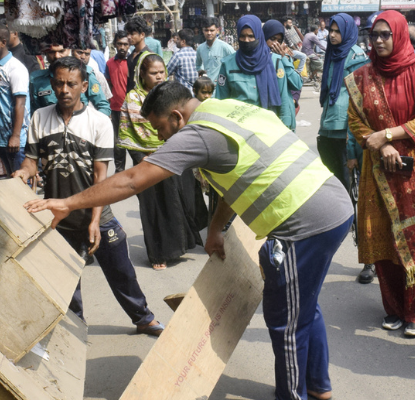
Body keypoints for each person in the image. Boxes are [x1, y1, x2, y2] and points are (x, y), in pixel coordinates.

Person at [24, 80, 354, 400]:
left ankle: (293, 395)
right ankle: (318, 385)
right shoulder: (227, 109)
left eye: (160, 129)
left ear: (178, 117)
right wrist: (215, 229)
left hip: (304, 222)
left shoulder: (198, 134)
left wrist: (68, 203)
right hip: (330, 202)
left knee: (286, 320)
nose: (159, 137)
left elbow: (133, 180)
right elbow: (238, 176)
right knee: (303, 304)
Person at [13, 56, 164, 337]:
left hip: (98, 215)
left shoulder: (99, 122)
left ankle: (143, 318)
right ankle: (75, 329)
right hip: (59, 217)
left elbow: (100, 178)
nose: (64, 90)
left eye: (71, 84)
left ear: (84, 85)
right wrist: (22, 172)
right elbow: (32, 162)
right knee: (67, 281)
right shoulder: (39, 118)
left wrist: (95, 221)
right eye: (58, 83)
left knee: (122, 272)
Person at [345, 10, 415, 337]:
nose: (381, 40)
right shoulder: (362, 77)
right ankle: (394, 307)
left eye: (386, 34)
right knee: (382, 235)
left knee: (412, 237)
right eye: (375, 35)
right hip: (377, 167)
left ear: (399, 34)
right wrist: (379, 147)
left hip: (411, 167)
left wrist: (388, 136)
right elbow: (356, 121)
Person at [118, 53, 205, 270]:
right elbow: (128, 134)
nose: (158, 77)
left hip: (178, 153)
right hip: (148, 159)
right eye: (153, 73)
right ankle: (159, 253)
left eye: (161, 72)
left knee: (182, 201)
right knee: (157, 208)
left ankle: (185, 242)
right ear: (142, 75)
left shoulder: (172, 96)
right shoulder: (133, 99)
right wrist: (141, 158)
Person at [316, 14, 371, 284]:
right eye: (331, 31)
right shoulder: (333, 55)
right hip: (328, 133)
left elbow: (359, 107)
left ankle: (369, 259)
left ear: (349, 32)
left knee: (358, 199)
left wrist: (352, 148)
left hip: (348, 138)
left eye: (338, 31)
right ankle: (330, 253)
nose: (332, 35)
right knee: (337, 199)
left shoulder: (358, 59)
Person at [216, 15, 301, 131]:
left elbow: (283, 97)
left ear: (258, 36)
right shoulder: (228, 64)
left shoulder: (275, 61)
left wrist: (285, 128)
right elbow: (221, 101)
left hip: (268, 128)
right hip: (239, 129)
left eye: (251, 36)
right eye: (242, 36)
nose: (246, 40)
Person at [0, 21, 30, 175]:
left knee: (21, 181)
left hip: (16, 141)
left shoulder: (16, 68)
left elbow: (20, 103)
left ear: (3, 42)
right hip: (2, 138)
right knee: (11, 178)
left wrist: (16, 136)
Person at [29, 43, 110, 118]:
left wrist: (90, 126)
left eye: (61, 51)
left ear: (69, 50)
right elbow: (35, 113)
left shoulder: (85, 74)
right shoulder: (37, 79)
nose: (57, 56)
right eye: (52, 52)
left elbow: (103, 107)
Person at [106, 31, 130, 172]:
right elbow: (108, 85)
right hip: (115, 108)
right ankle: (119, 171)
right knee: (118, 142)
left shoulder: (133, 61)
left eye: (125, 44)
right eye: (120, 44)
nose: (122, 47)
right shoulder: (109, 63)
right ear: (115, 44)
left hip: (133, 107)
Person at [195, 17, 235, 85]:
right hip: (207, 88)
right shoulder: (200, 48)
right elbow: (198, 65)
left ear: (217, 30)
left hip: (221, 88)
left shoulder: (225, 47)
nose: (209, 33)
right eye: (206, 30)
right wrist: (202, 72)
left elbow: (236, 62)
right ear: (203, 31)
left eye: (212, 30)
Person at [125, 16, 151, 92]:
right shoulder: (130, 56)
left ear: (142, 35)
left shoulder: (148, 56)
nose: (129, 37)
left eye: (132, 34)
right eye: (128, 34)